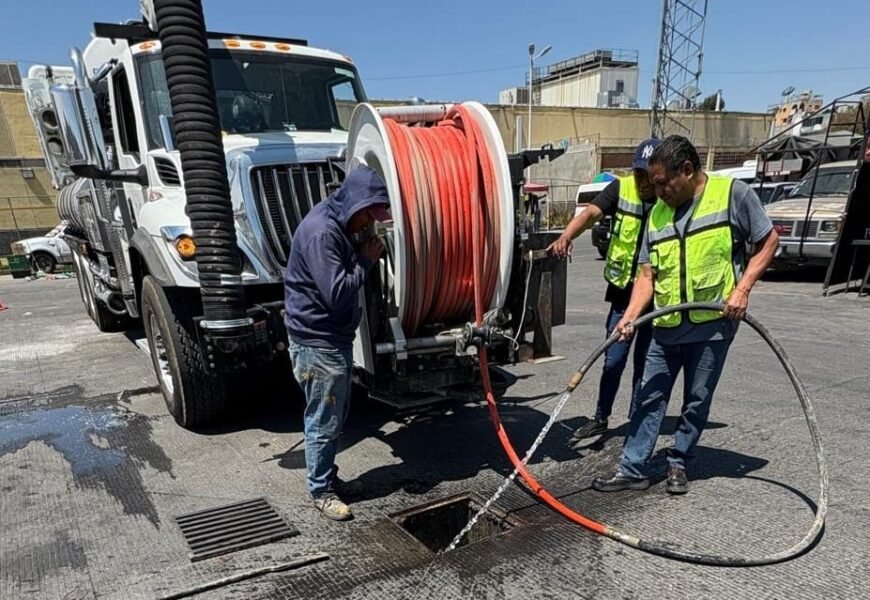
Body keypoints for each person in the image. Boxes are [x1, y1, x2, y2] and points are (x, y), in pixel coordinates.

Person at [591, 135, 779, 495]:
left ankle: (679, 460)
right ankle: (632, 468)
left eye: (663, 183)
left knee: (696, 398)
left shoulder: (731, 195)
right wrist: (630, 315)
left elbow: (768, 241)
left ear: (688, 171)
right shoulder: (658, 215)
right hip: (666, 325)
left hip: (712, 327)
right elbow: (647, 275)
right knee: (649, 395)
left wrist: (742, 289)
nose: (656, 190)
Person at [284, 164, 392, 521]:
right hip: (318, 344)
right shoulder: (322, 234)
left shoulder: (340, 223)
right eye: (368, 216)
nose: (370, 223)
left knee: (334, 415)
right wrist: (365, 260)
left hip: (331, 338)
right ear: (356, 206)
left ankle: (327, 477)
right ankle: (321, 491)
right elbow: (337, 293)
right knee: (323, 419)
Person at [548, 139, 661, 440]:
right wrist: (566, 236)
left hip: (658, 298)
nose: (643, 181)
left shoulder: (669, 197)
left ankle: (637, 420)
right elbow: (588, 215)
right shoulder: (621, 189)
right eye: (639, 174)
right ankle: (601, 417)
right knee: (613, 360)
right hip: (624, 295)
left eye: (649, 175)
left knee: (645, 365)